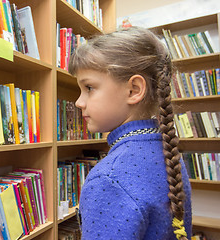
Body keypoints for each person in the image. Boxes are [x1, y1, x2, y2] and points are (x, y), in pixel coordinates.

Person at [68, 27, 192, 240]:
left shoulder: (109, 178)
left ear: (134, 90)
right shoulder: (169, 155)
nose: (79, 102)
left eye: (89, 87)